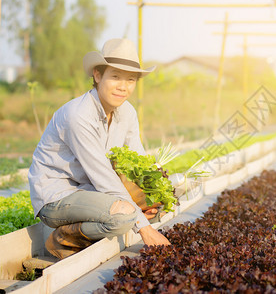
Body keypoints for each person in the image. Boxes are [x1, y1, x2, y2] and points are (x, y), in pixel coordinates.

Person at [28, 38, 171, 260]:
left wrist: (151, 195)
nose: (123, 86)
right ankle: (63, 239)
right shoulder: (78, 116)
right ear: (97, 75)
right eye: (115, 77)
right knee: (124, 217)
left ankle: (97, 222)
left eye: (131, 80)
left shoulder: (128, 112)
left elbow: (139, 161)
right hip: (57, 197)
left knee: (153, 205)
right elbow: (104, 178)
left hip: (89, 190)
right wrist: (145, 229)